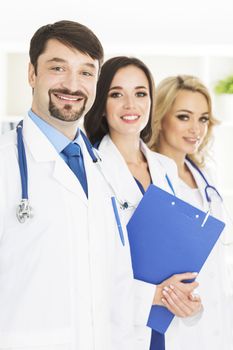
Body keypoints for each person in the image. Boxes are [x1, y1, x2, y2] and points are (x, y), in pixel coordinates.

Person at [0, 21, 144, 350]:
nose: (72, 84)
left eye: (86, 72)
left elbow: (117, 287)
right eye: (58, 68)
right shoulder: (6, 164)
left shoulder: (107, 169)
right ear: (32, 74)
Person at [84, 56, 202, 350]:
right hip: (116, 330)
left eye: (140, 93)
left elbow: (179, 252)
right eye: (116, 94)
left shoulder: (165, 167)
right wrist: (152, 295)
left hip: (165, 328)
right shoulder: (89, 169)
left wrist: (191, 306)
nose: (130, 105)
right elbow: (86, 269)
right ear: (101, 104)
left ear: (151, 101)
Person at [149, 74, 233, 349]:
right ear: (160, 118)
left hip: (216, 318)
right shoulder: (149, 177)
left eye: (203, 119)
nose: (196, 129)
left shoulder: (205, 176)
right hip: (173, 325)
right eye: (184, 117)